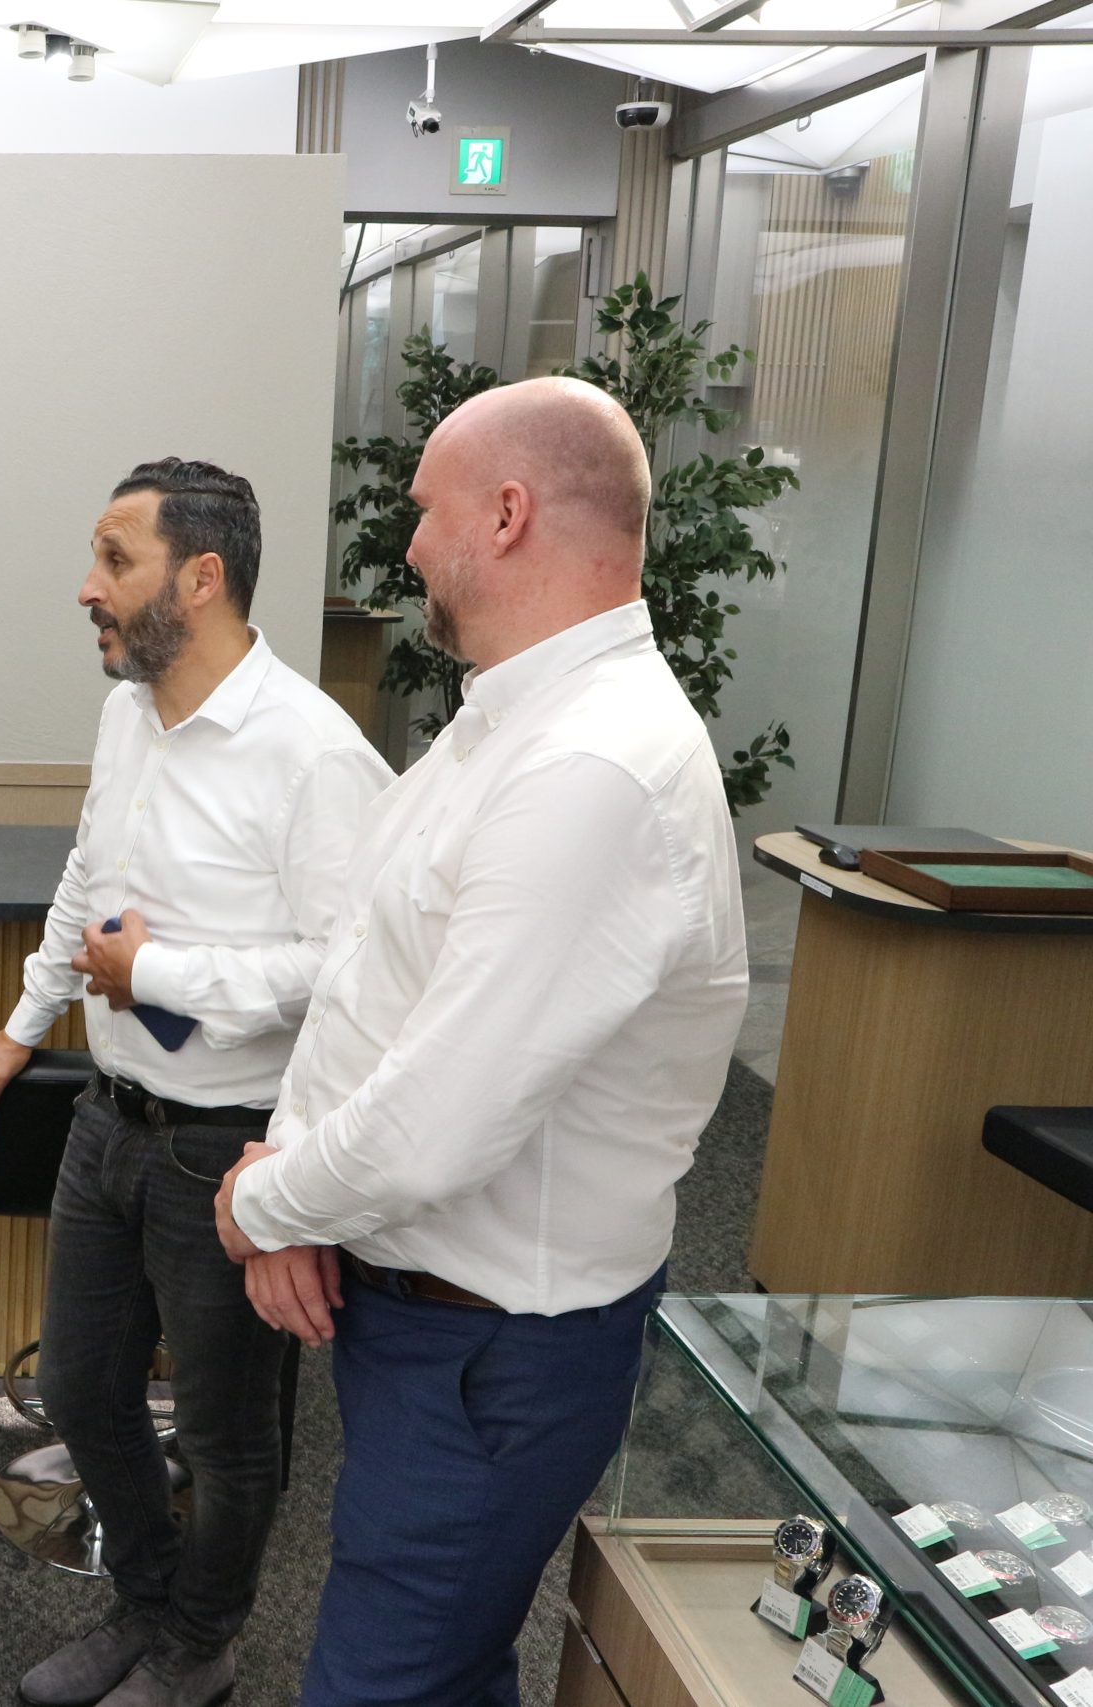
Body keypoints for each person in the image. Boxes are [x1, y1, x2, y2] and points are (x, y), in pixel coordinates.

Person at [216, 376, 748, 1707]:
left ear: (507, 514)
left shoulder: (589, 766)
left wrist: (260, 1202)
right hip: (429, 1313)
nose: (405, 547)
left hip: (491, 1346)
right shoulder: (508, 722)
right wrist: (301, 1199)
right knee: (442, 1666)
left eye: (423, 510)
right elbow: (374, 992)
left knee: (384, 1684)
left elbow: (433, 1125)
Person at [0, 458, 390, 1707]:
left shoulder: (314, 752)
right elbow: (87, 874)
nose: (85, 588)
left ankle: (201, 1644)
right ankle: (149, 1608)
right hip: (108, 1119)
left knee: (225, 1434)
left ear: (199, 579)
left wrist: (159, 971)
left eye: (114, 560)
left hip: (231, 1147)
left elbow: (345, 972)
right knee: (78, 1388)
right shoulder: (127, 713)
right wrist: (25, 1022)